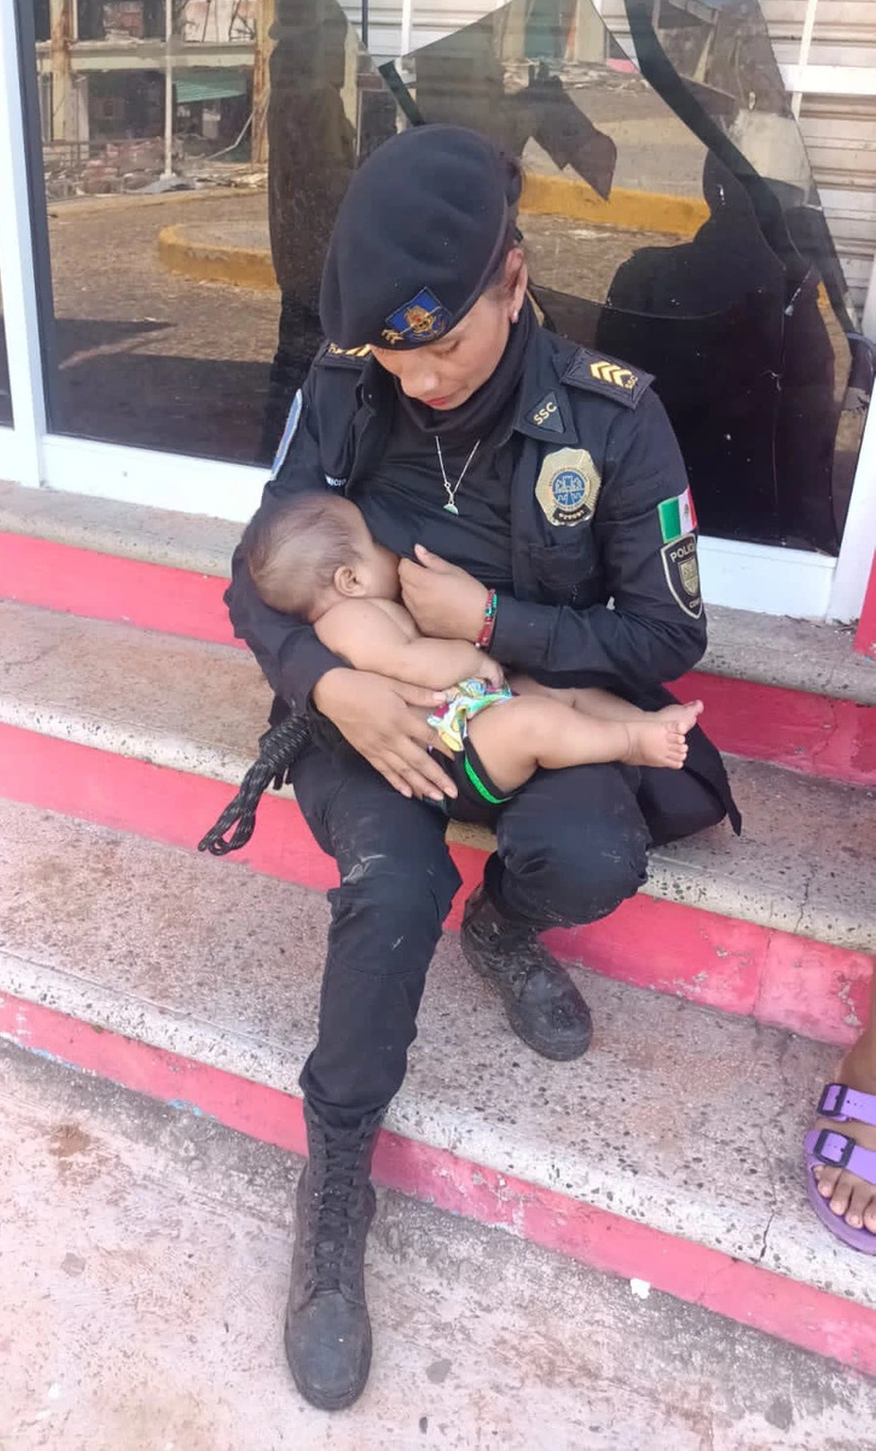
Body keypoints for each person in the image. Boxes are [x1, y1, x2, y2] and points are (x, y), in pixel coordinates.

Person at [226, 123, 741, 1414]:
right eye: (395, 348)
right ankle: (336, 1177)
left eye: (442, 339)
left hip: (526, 706)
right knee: (393, 885)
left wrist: (494, 626)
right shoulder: (351, 392)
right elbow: (257, 579)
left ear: (514, 278)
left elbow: (669, 634)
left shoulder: (615, 422)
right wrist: (337, 682)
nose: (420, 373)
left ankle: (505, 926)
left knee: (595, 846)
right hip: (383, 715)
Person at [241, 489, 704, 800]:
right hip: (453, 751)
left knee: (560, 692)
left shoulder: (364, 607)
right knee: (533, 721)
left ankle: (648, 720)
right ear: (350, 579)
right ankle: (629, 742)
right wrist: (471, 656)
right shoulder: (349, 620)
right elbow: (409, 663)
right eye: (375, 542)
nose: (390, 548)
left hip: (469, 712)